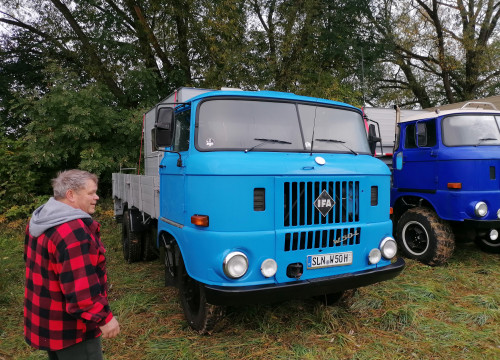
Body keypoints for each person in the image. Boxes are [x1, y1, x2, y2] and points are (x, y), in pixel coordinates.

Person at [24, 169, 120, 360]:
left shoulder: (40, 219)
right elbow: (81, 288)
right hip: (73, 330)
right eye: (91, 193)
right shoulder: (72, 230)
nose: (97, 197)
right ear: (71, 195)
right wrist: (104, 318)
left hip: (48, 321)